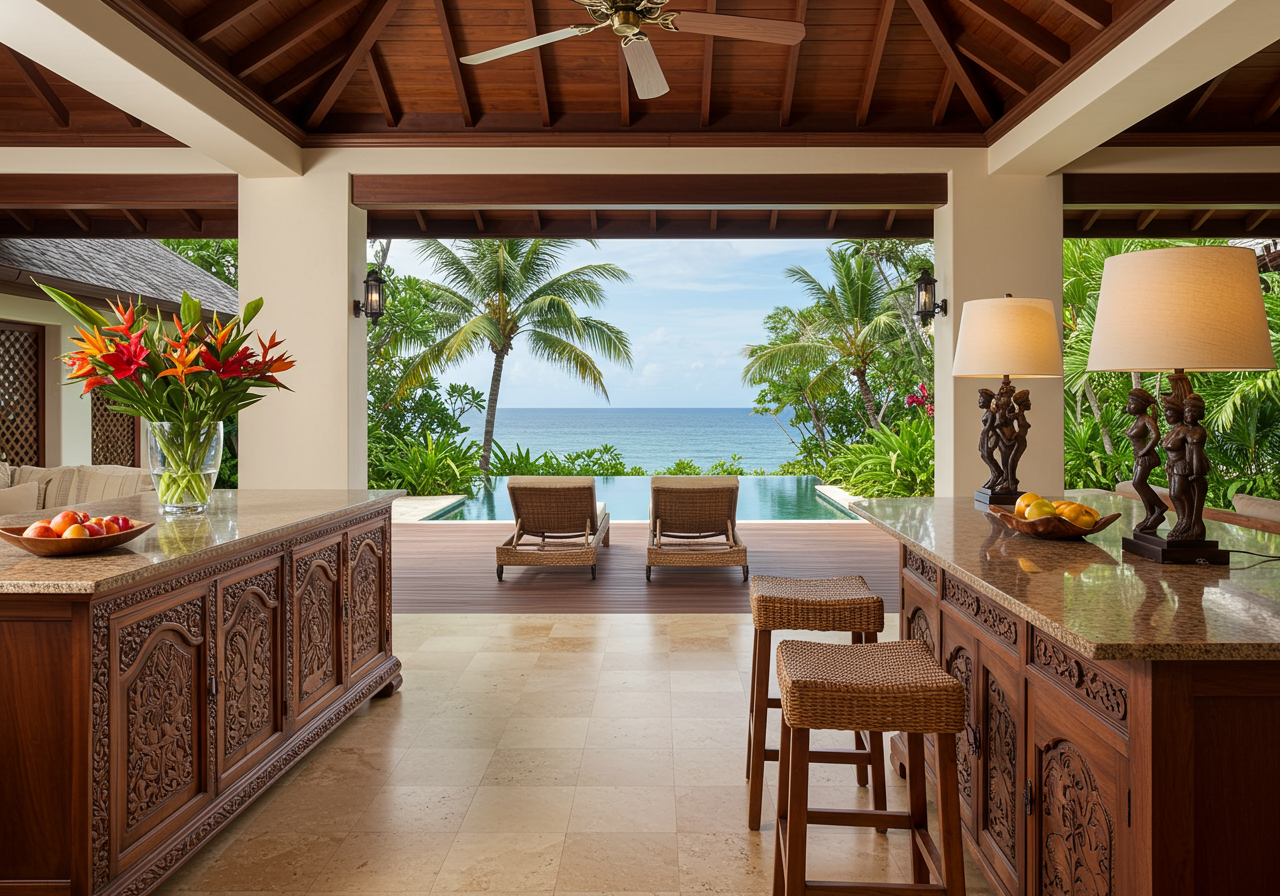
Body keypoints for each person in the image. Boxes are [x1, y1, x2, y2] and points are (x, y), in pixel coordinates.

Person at [1122, 387, 1166, 535]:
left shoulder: (1146, 419)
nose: (1128, 406)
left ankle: (1159, 507)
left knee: (1138, 483)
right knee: (1138, 484)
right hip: (1139, 457)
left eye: (1131, 402)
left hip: (1146, 457)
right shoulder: (1138, 420)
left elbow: (1156, 436)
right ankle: (1150, 514)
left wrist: (1144, 451)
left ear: (1141, 404)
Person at [1161, 393, 1193, 541]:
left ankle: (1188, 521)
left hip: (1181, 465)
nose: (1167, 416)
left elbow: (1193, 449)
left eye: (1171, 413)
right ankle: (1181, 520)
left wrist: (1191, 465)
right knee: (1173, 495)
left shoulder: (1184, 430)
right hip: (1171, 465)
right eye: (1166, 413)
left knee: (1180, 494)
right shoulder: (1173, 430)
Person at [1182, 393, 1209, 541]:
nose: (1189, 414)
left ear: (1199, 414)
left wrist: (1197, 472)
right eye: (1187, 411)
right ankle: (1188, 525)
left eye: (1193, 411)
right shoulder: (1183, 428)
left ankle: (1195, 528)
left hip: (1197, 467)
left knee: (1197, 499)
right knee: (1186, 497)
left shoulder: (1199, 431)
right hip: (1187, 467)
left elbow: (1197, 453)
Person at [1003, 390, 1032, 493]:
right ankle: (1011, 483)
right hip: (1019, 440)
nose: (1030, 403)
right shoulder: (1019, 414)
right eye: (1027, 400)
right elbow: (1008, 416)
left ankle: (1011, 482)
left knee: (1012, 462)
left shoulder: (1020, 414)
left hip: (1021, 441)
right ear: (1022, 403)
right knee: (1011, 462)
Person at [977, 388, 1003, 490]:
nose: (979, 401)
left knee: (987, 455)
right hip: (986, 435)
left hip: (990, 436)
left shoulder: (991, 413)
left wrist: (985, 435)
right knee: (984, 455)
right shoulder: (988, 413)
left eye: (981, 398)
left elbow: (990, 427)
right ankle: (994, 475)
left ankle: (998, 473)